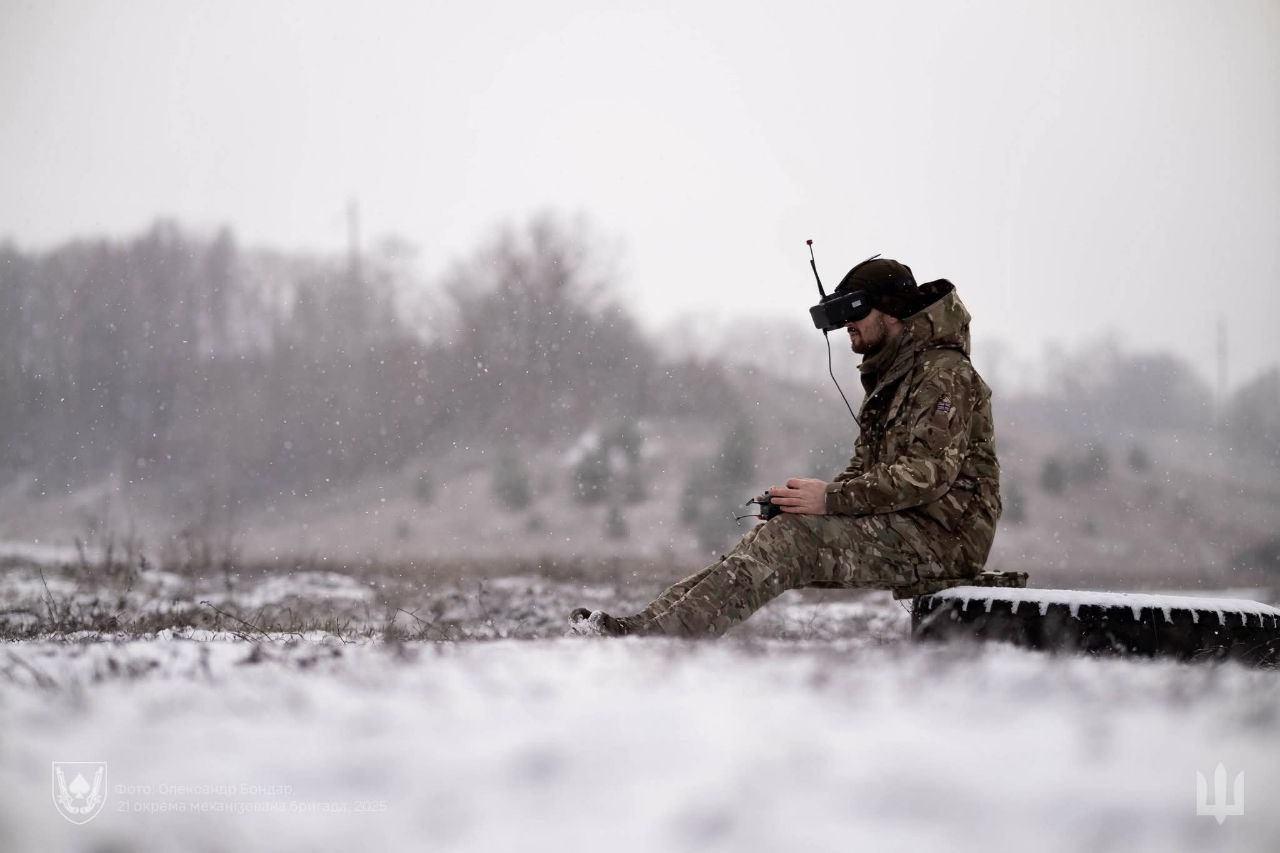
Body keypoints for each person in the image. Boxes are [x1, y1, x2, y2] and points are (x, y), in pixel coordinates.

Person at [569, 257, 1002, 637]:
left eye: (856, 312)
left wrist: (830, 499)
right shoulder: (899, 375)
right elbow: (866, 468)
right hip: (907, 526)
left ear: (890, 312)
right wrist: (804, 502)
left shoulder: (943, 375)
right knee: (776, 533)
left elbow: (926, 475)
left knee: (792, 541)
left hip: (943, 540)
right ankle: (646, 628)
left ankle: (658, 643)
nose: (847, 326)